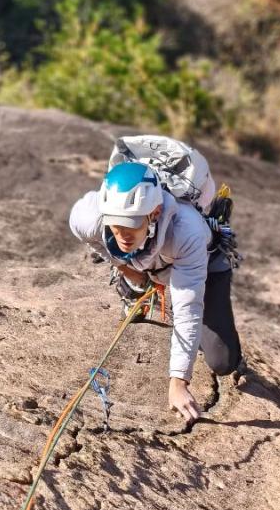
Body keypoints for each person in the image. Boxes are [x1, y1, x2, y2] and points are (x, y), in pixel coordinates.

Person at [69, 159, 242, 422]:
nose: (123, 234)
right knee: (129, 257)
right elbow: (92, 240)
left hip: (202, 261)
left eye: (132, 224)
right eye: (116, 225)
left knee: (222, 361)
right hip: (149, 255)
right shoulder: (88, 219)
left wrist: (179, 381)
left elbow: (187, 307)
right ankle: (134, 285)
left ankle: (196, 329)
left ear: (155, 212)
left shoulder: (187, 232)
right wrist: (124, 268)